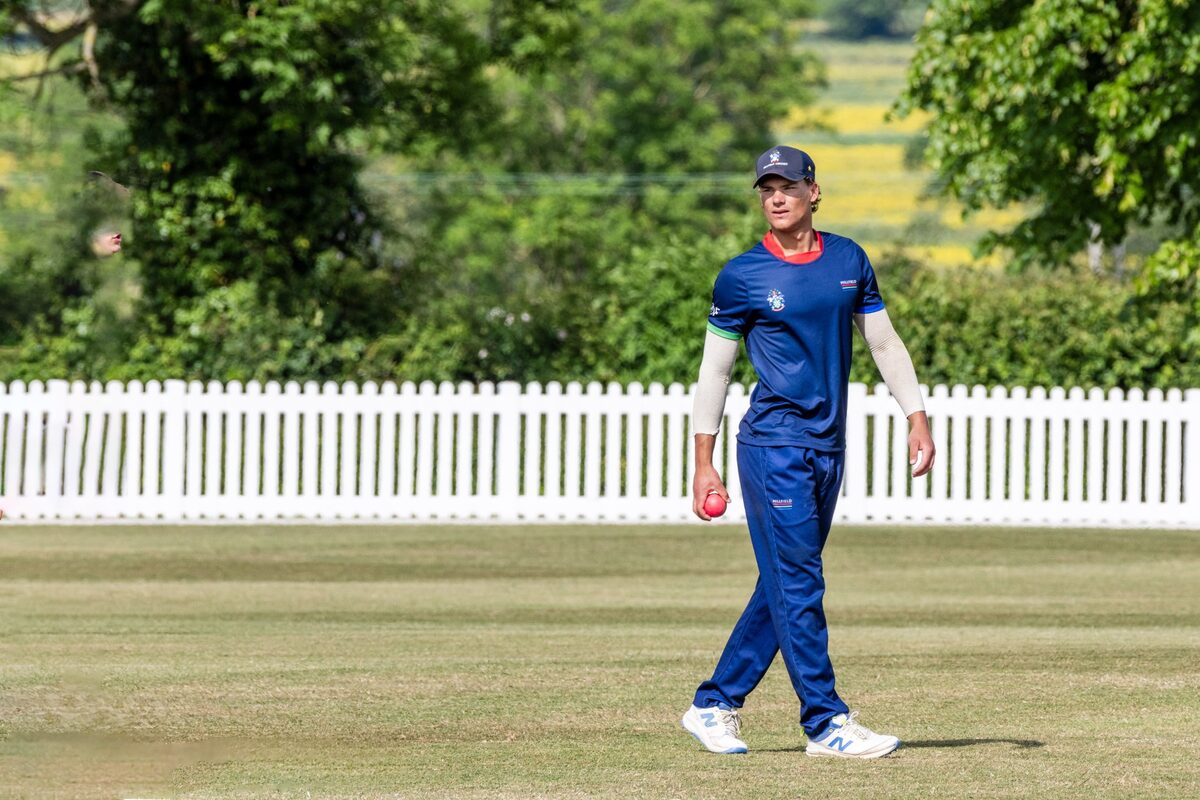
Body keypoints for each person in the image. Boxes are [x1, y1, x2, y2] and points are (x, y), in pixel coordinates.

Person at [680, 145, 935, 759]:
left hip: (829, 444)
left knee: (784, 583)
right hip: (773, 443)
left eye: (788, 186)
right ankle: (825, 722)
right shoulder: (740, 276)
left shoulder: (849, 259)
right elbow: (715, 374)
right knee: (801, 582)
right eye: (766, 187)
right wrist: (703, 463)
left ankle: (714, 704)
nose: (776, 196)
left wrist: (917, 417)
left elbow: (885, 345)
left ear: (813, 191)